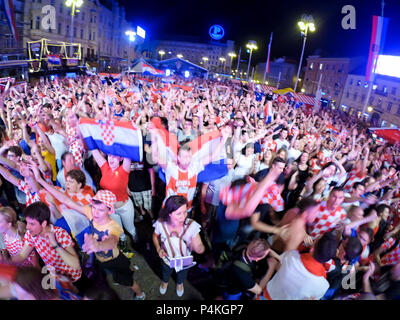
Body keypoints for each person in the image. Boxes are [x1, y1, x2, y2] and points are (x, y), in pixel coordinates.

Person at [32, 178, 146, 300]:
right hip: (102, 259)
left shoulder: (113, 226)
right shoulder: (91, 213)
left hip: (113, 259)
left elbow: (112, 241)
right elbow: (66, 200)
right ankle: (128, 269)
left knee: (128, 281)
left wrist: (98, 246)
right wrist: (40, 180)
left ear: (109, 211)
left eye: (101, 210)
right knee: (120, 270)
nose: (96, 213)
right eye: (94, 207)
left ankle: (140, 294)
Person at [1, 202, 82, 284]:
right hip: (57, 279)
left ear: (43, 223)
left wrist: (55, 244)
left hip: (73, 279)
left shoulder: (60, 233)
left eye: (32, 224)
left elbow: (76, 265)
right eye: (27, 222)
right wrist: (5, 261)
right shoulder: (31, 234)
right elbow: (22, 255)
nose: (27, 227)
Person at [152, 195, 205, 297]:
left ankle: (179, 284)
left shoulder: (191, 225)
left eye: (185, 211)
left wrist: (198, 247)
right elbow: (155, 236)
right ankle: (165, 282)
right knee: (165, 272)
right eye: (178, 213)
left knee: (182, 274)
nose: (183, 216)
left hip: (184, 260)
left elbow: (200, 248)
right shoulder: (161, 224)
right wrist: (158, 248)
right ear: (169, 213)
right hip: (167, 258)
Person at [91, 149, 137, 251]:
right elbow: (94, 151)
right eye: (109, 156)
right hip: (110, 209)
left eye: (115, 157)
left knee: (130, 228)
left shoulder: (124, 170)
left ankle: (136, 239)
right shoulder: (105, 167)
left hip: (124, 207)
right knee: (118, 229)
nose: (111, 159)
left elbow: (127, 153)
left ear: (121, 158)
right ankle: (123, 241)